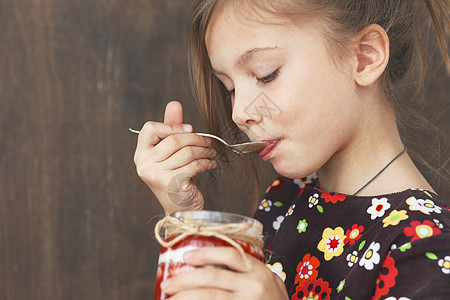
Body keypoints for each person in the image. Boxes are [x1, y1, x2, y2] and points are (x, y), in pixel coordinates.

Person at [133, 0, 450, 299]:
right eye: (230, 88)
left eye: (265, 74)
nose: (240, 112)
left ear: (365, 57)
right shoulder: (284, 200)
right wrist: (184, 215)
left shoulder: (426, 249)